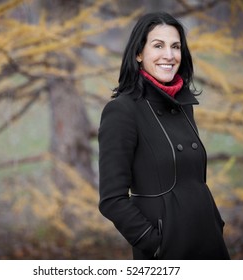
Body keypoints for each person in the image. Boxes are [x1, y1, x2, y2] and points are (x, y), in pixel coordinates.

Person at [98, 12, 230, 260]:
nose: (169, 55)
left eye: (176, 46)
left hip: (209, 243)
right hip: (167, 251)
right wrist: (155, 243)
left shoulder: (183, 103)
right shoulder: (122, 111)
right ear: (139, 53)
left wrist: (215, 222)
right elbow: (111, 199)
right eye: (158, 45)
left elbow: (193, 181)